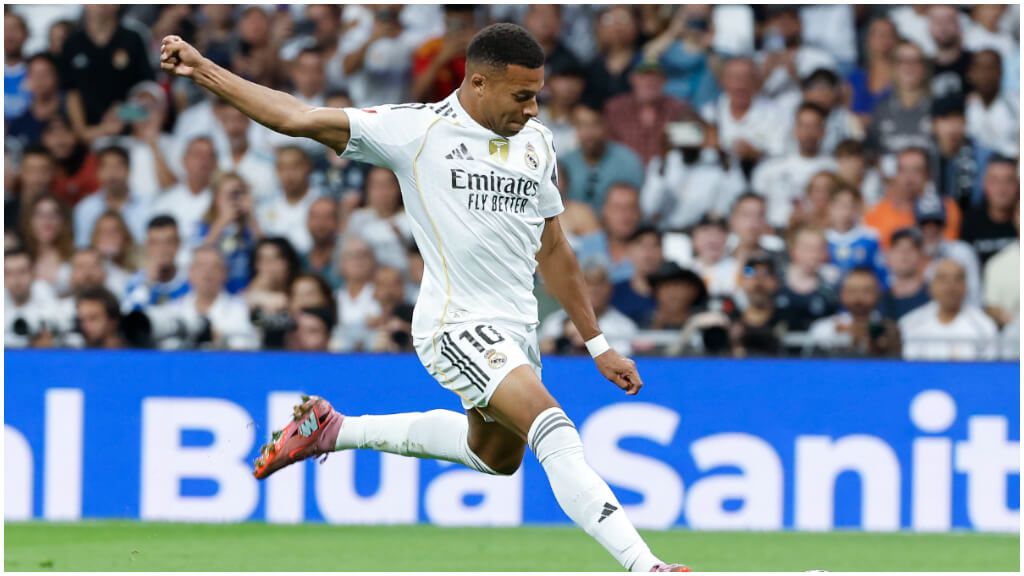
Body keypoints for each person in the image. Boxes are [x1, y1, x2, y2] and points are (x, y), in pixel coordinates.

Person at [161, 24, 689, 572]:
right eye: (522, 95)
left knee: (495, 458)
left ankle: (333, 428)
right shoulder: (417, 131)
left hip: (514, 332)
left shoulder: (538, 143)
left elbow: (553, 247)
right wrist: (203, 68)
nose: (533, 109)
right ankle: (644, 564)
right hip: (454, 325)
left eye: (537, 94)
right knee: (553, 428)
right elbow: (295, 116)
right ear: (477, 82)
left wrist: (598, 344)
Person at [59, 5, 154, 145]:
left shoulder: (132, 39)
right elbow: (71, 93)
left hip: (129, 135)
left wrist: (124, 113)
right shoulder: (72, 43)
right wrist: (83, 132)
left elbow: (148, 91)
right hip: (88, 138)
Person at [150, 246, 256, 350]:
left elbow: (253, 345)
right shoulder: (171, 311)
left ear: (225, 273)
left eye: (214, 267)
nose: (207, 272)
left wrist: (222, 339)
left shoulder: (242, 310)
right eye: (201, 266)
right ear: (190, 272)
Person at [751, 103, 837, 229]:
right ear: (795, 130)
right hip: (775, 232)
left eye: (814, 126)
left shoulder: (834, 168)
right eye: (804, 126)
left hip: (819, 232)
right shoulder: (769, 168)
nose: (809, 132)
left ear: (823, 131)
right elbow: (754, 205)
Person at [900, 259, 998, 361]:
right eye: (942, 279)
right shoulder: (910, 324)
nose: (950, 287)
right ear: (930, 286)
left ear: (966, 286)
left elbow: (989, 369)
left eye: (958, 279)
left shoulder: (984, 326)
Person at [864, 147, 961, 250]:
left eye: (917, 171)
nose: (909, 178)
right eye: (903, 170)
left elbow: (945, 248)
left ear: (928, 175)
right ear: (895, 175)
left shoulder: (946, 208)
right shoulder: (875, 213)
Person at [603, 61, 695, 165]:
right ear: (632, 79)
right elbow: (606, 149)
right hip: (625, 175)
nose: (649, 82)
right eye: (643, 76)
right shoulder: (615, 109)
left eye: (655, 77)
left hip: (666, 175)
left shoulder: (680, 109)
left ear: (664, 81)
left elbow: (690, 149)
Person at [701, 57, 784, 171]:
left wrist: (755, 154)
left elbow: (779, 154)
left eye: (747, 78)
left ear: (757, 81)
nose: (740, 83)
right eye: (734, 78)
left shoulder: (775, 113)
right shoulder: (709, 112)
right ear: (722, 82)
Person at [560, 103, 645, 212]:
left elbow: (636, 210)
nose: (588, 132)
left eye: (595, 124)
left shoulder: (628, 162)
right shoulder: (564, 163)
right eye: (582, 125)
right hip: (573, 227)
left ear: (606, 125)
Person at [541, 260, 637, 356]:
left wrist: (590, 340)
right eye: (587, 283)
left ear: (610, 288)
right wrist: (562, 340)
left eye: (600, 283)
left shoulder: (624, 326)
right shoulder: (554, 322)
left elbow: (624, 357)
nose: (594, 289)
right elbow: (541, 352)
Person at [807, 267, 900, 357]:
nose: (858, 297)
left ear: (878, 293)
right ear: (842, 294)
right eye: (852, 291)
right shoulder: (823, 329)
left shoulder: (890, 329)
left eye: (866, 291)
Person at [196, 172, 262, 294]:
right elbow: (199, 257)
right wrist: (221, 223)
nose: (234, 199)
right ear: (216, 197)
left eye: (239, 193)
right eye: (229, 195)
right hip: (218, 292)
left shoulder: (251, 226)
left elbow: (266, 250)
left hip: (247, 291)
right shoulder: (204, 225)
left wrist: (251, 216)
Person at [914, 192, 982, 308]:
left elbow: (975, 298)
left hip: (960, 318)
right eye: (925, 224)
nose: (931, 229)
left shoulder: (962, 252)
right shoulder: (909, 255)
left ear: (944, 225)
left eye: (936, 223)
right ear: (916, 226)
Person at [150, 136, 218, 254]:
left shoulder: (221, 200)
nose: (203, 160)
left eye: (209, 155)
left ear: (215, 162)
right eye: (197, 155)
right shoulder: (165, 202)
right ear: (184, 160)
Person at [865, 41, 933, 157]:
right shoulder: (880, 111)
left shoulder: (937, 109)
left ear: (924, 68)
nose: (909, 67)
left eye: (915, 61)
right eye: (903, 61)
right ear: (894, 68)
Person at [72, 145, 148, 248]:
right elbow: (82, 248)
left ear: (129, 170)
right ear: (97, 172)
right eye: (106, 167)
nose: (112, 174)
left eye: (118, 167)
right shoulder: (85, 209)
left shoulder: (146, 206)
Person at [929, 95, 993, 214]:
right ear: (933, 125)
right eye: (945, 119)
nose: (952, 127)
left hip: (973, 223)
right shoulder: (924, 158)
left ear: (965, 122)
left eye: (958, 119)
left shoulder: (984, 157)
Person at [258, 146, 321, 254]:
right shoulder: (265, 206)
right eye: (283, 168)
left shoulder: (321, 202)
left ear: (308, 167)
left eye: (295, 167)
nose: (289, 175)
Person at [411, 5, 477, 104]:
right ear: (446, 22)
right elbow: (417, 95)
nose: (459, 31)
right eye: (455, 25)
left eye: (465, 25)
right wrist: (439, 61)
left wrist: (476, 52)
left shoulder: (481, 48)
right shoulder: (430, 48)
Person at [123, 215, 190, 312]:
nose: (162, 250)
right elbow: (127, 317)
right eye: (155, 243)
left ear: (178, 243)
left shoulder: (191, 279)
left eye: (169, 242)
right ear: (147, 246)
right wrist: (148, 283)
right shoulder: (134, 283)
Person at [960, 157, 1019, 266]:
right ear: (984, 184)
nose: (1002, 188)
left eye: (1009, 180)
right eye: (994, 181)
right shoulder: (970, 221)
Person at [825, 184, 886, 282]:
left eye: (851, 206)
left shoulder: (871, 237)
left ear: (858, 208)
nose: (846, 212)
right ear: (830, 207)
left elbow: (881, 272)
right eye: (841, 206)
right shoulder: (822, 239)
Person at [965, 49, 1019, 159]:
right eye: (980, 69)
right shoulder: (965, 107)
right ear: (971, 74)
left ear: (1001, 72)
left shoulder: (1016, 104)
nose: (985, 75)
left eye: (991, 68)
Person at [729, 253, 786, 357]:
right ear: (742, 281)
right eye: (751, 274)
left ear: (776, 282)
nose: (759, 281)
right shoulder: (730, 320)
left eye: (766, 274)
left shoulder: (787, 318)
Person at [4, 247, 60, 348]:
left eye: (22, 272)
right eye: (9, 273)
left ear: (33, 273)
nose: (16, 280)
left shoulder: (44, 291)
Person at [19, 193, 74, 295]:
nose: (47, 221)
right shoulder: (20, 257)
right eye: (40, 215)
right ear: (29, 221)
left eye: (53, 215)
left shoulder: (74, 257)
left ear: (63, 221)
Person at [7, 53, 63, 150]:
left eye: (45, 74)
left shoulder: (71, 114)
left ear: (57, 76)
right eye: (35, 74)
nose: (40, 79)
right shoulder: (19, 123)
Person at [845, 17, 897, 121]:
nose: (884, 39)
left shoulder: (903, 78)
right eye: (879, 34)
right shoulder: (854, 79)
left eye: (889, 34)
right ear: (869, 39)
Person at [610, 226, 662, 328]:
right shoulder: (611, 293)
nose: (649, 253)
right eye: (642, 245)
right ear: (628, 251)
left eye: (655, 245)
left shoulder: (674, 293)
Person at [880, 228, 931, 322]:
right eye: (898, 248)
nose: (904, 253)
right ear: (888, 255)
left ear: (921, 255)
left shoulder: (933, 295)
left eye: (911, 248)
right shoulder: (879, 299)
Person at [982, 203, 1019, 329]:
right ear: (1016, 218)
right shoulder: (997, 264)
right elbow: (990, 307)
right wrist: (1001, 315)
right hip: (1013, 339)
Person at [927, 5, 973, 99]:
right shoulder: (923, 67)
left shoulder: (976, 63)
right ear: (929, 27)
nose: (943, 27)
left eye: (949, 21)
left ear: (959, 25)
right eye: (937, 22)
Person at [302, 197, 342, 288]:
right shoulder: (298, 260)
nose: (320, 224)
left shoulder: (347, 263)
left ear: (339, 222)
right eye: (315, 217)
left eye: (327, 217)